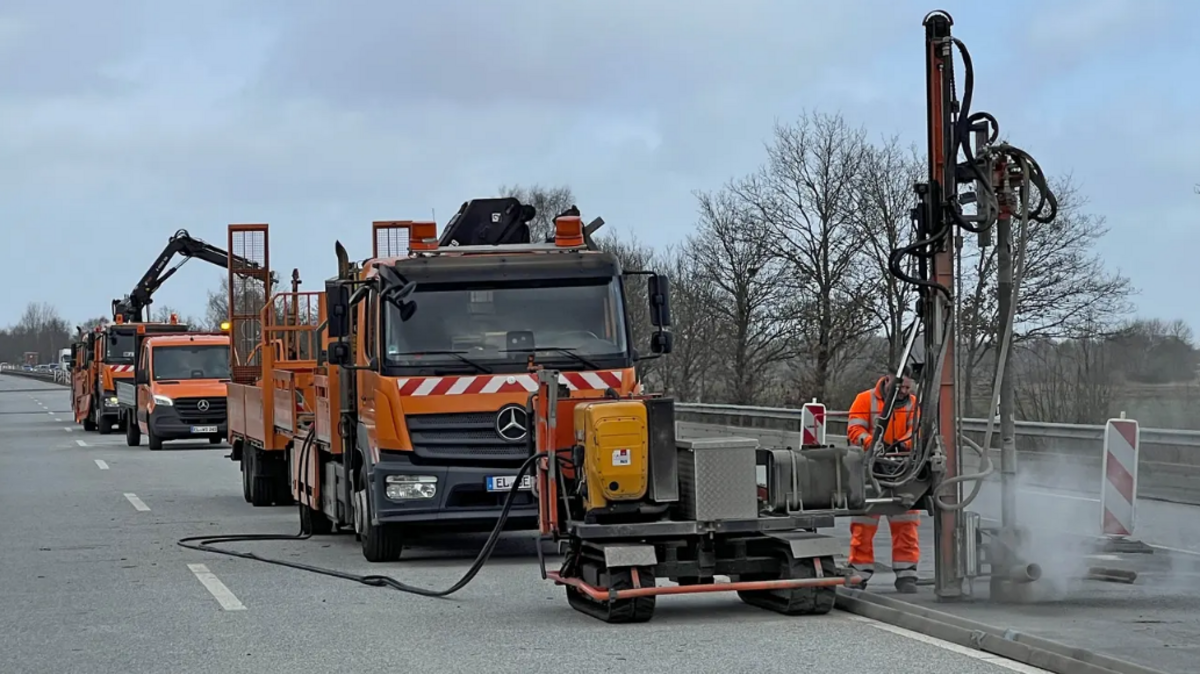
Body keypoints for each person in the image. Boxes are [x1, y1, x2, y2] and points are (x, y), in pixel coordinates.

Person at [845, 372, 921, 593]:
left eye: (909, 389)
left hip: (902, 470)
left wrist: (904, 444)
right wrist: (870, 442)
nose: (905, 393)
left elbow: (916, 430)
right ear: (888, 380)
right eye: (902, 388)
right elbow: (854, 430)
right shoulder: (864, 400)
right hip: (869, 469)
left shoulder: (913, 404)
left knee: (906, 523)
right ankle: (860, 572)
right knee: (864, 524)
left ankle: (907, 574)